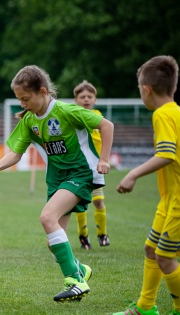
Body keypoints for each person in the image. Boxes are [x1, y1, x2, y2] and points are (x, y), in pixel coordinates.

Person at [0, 65, 113, 302]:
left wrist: (104, 160)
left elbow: (106, 125)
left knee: (47, 218)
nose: (22, 104)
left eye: (25, 98)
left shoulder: (65, 111)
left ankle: (74, 280)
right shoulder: (29, 120)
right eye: (19, 99)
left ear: (42, 91)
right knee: (53, 242)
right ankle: (81, 270)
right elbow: (16, 153)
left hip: (81, 173)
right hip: (57, 179)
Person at [112, 55, 180, 315]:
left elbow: (166, 154)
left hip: (178, 201)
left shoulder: (162, 114)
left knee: (165, 257)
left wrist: (132, 174)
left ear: (146, 89)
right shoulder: (175, 111)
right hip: (168, 199)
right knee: (151, 249)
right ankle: (145, 307)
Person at [73, 80, 110, 250]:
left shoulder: (98, 116)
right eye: (82, 97)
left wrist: (104, 158)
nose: (86, 99)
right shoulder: (73, 116)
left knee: (98, 201)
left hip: (96, 167)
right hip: (79, 166)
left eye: (90, 96)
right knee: (80, 203)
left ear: (94, 99)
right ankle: (83, 236)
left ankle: (102, 234)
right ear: (76, 100)